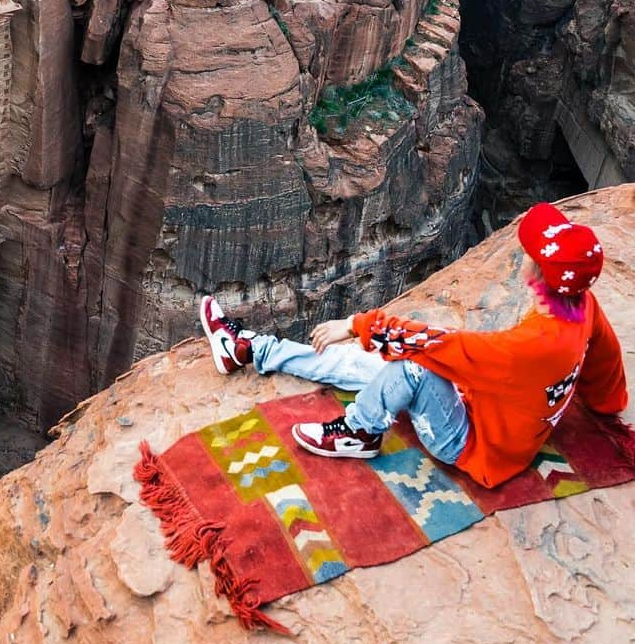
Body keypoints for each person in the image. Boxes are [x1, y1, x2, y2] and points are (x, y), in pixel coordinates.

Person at [199, 202, 628, 488]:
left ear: (539, 272)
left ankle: (360, 432)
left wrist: (357, 323)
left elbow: (437, 346)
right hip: (482, 402)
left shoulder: (530, 346)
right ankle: (252, 349)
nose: (525, 255)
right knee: (376, 363)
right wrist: (609, 406)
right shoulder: (580, 307)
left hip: (471, 444)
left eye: (532, 252)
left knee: (409, 365)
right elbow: (605, 363)